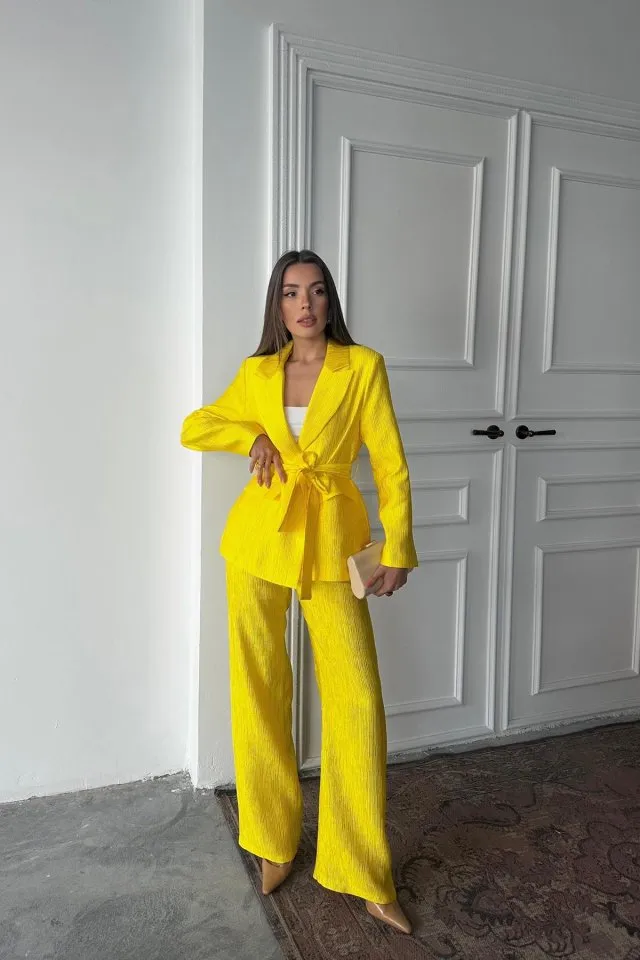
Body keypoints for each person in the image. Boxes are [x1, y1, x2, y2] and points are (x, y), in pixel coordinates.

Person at [181, 249, 418, 935]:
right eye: (290, 293)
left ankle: (363, 870)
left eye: (315, 291)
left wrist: (398, 548)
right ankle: (272, 840)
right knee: (258, 686)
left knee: (357, 699)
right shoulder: (258, 372)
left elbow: (390, 462)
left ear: (329, 299)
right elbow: (195, 426)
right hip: (257, 541)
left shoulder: (362, 366)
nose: (304, 304)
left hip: (333, 541)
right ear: (277, 304)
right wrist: (255, 434)